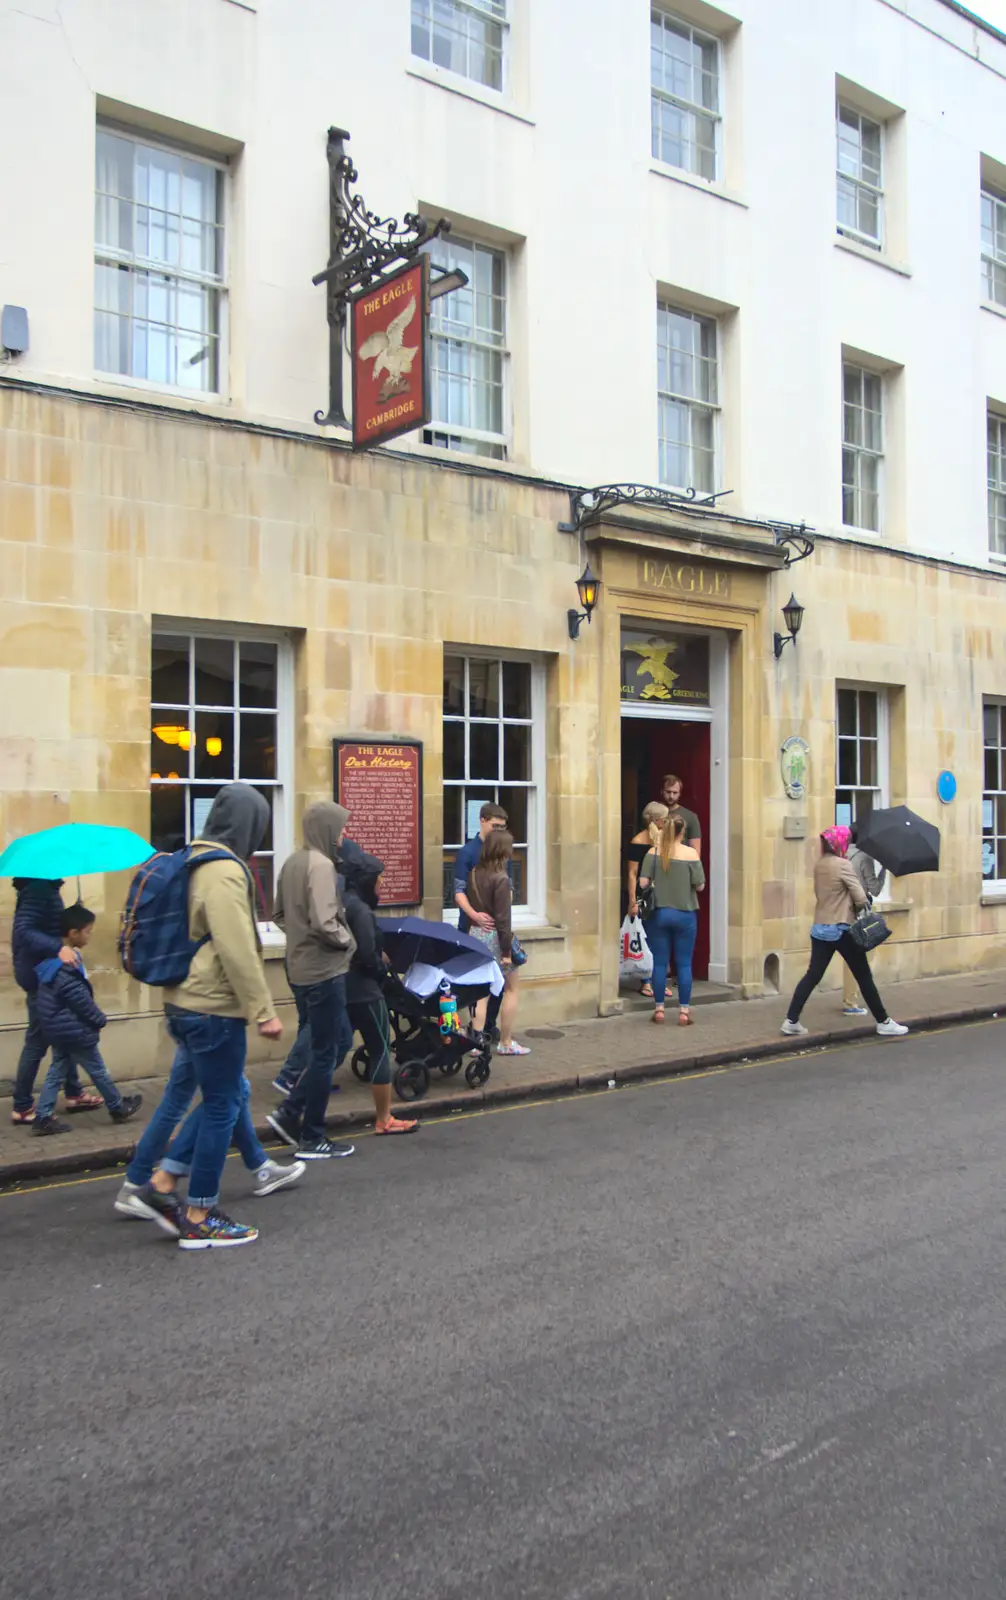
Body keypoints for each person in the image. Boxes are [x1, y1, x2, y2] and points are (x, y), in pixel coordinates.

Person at [122, 783, 285, 1250]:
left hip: (181, 1001)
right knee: (221, 1107)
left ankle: (162, 1184)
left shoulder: (190, 859)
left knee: (224, 1095)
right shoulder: (224, 872)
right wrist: (263, 1010)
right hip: (213, 1008)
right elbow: (236, 948)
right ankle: (199, 1214)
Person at [267, 802, 357, 1160]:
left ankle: (290, 1115)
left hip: (299, 968)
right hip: (323, 970)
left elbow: (277, 914)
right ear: (326, 828)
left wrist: (300, 935)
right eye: (340, 827)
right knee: (325, 1052)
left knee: (340, 1040)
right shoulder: (321, 866)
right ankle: (311, 1135)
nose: (344, 834)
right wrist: (347, 941)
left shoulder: (292, 862)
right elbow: (324, 921)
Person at [781, 825, 908, 1039]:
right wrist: (860, 903)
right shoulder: (843, 865)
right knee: (863, 976)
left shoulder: (820, 864)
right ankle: (884, 1022)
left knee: (812, 976)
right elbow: (860, 897)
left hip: (819, 927)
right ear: (840, 843)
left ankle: (791, 1020)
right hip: (841, 928)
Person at [115, 1075, 304, 1216]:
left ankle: (137, 1183)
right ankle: (167, 1188)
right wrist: (266, 1018)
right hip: (212, 1024)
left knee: (182, 1097)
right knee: (230, 1092)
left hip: (192, 1022)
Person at [31, 904, 143, 1135]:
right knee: (98, 1069)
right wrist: (99, 1018)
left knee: (57, 1070)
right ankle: (117, 1107)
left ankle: (43, 1116)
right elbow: (79, 999)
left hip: (60, 1028)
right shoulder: (67, 965)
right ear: (73, 933)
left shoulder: (52, 961)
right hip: (74, 1029)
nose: (90, 935)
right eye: (88, 931)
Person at [10, 876, 99, 1125]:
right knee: (38, 1041)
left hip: (44, 972)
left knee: (65, 1032)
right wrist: (57, 947)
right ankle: (22, 1106)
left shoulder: (44, 889)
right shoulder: (39, 890)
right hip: (42, 975)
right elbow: (24, 930)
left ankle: (74, 1093)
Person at [341, 847, 417, 1135]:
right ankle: (384, 1119)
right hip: (364, 989)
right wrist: (382, 973)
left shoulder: (343, 901)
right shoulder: (360, 910)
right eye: (378, 879)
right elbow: (366, 955)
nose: (381, 884)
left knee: (333, 1049)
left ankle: (296, 1109)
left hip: (343, 984)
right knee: (381, 1048)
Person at [638, 813, 705, 1026]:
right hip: (685, 914)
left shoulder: (653, 852)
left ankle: (659, 1010)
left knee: (659, 963)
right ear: (683, 832)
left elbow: (642, 883)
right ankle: (684, 1011)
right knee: (684, 964)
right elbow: (700, 885)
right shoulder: (691, 854)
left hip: (659, 913)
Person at [468, 829, 528, 1055]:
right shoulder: (501, 878)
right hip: (496, 938)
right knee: (511, 989)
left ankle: (476, 1044)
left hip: (477, 935)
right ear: (502, 850)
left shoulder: (475, 872)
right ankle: (506, 1042)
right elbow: (503, 920)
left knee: (480, 992)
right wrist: (506, 952)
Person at [454, 801, 508, 1038]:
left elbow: (508, 889)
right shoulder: (467, 852)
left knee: (500, 982)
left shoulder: (501, 852)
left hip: (497, 929)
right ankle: (477, 1030)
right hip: (470, 927)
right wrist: (474, 915)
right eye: (495, 826)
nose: (498, 831)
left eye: (502, 827)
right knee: (477, 984)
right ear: (482, 820)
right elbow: (458, 891)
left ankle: (489, 1026)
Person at [842, 822, 888, 1015]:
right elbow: (875, 889)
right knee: (859, 957)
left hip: (840, 910)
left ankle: (849, 998)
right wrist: (884, 869)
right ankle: (851, 1003)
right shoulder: (864, 858)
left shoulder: (841, 855)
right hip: (859, 911)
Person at [626, 801, 669, 999]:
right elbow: (632, 873)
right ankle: (646, 982)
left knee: (661, 939)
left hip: (662, 893)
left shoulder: (665, 841)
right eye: (664, 818)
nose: (667, 821)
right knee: (646, 939)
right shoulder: (638, 841)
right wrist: (632, 901)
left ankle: (658, 981)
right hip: (645, 896)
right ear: (657, 820)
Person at [660, 774, 702, 858]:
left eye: (675, 793)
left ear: (679, 794)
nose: (671, 796)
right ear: (662, 791)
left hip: (681, 862)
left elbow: (695, 851)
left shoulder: (690, 817)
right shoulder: (654, 814)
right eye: (668, 792)